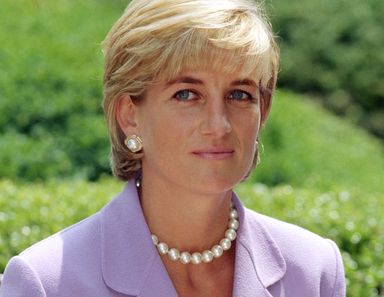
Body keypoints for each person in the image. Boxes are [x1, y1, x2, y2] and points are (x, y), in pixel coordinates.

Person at [0, 0, 346, 296]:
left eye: (239, 95)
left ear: (263, 110)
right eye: (186, 94)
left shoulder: (314, 272)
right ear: (130, 115)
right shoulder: (47, 283)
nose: (219, 124)